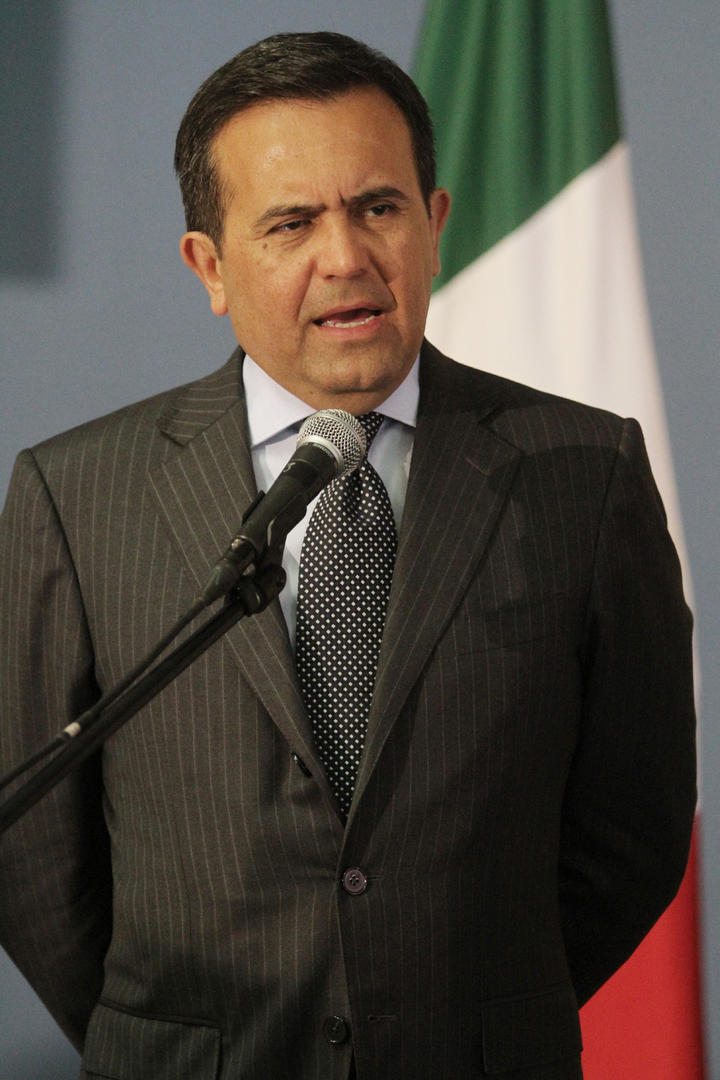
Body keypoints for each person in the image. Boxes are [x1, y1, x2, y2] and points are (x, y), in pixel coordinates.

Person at [0, 31, 696, 1080]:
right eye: (291, 223)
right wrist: (175, 1037)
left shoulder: (584, 471)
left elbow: (634, 823)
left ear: (435, 224)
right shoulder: (78, 493)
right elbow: (34, 850)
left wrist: (470, 1009)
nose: (346, 257)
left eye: (379, 208)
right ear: (210, 267)